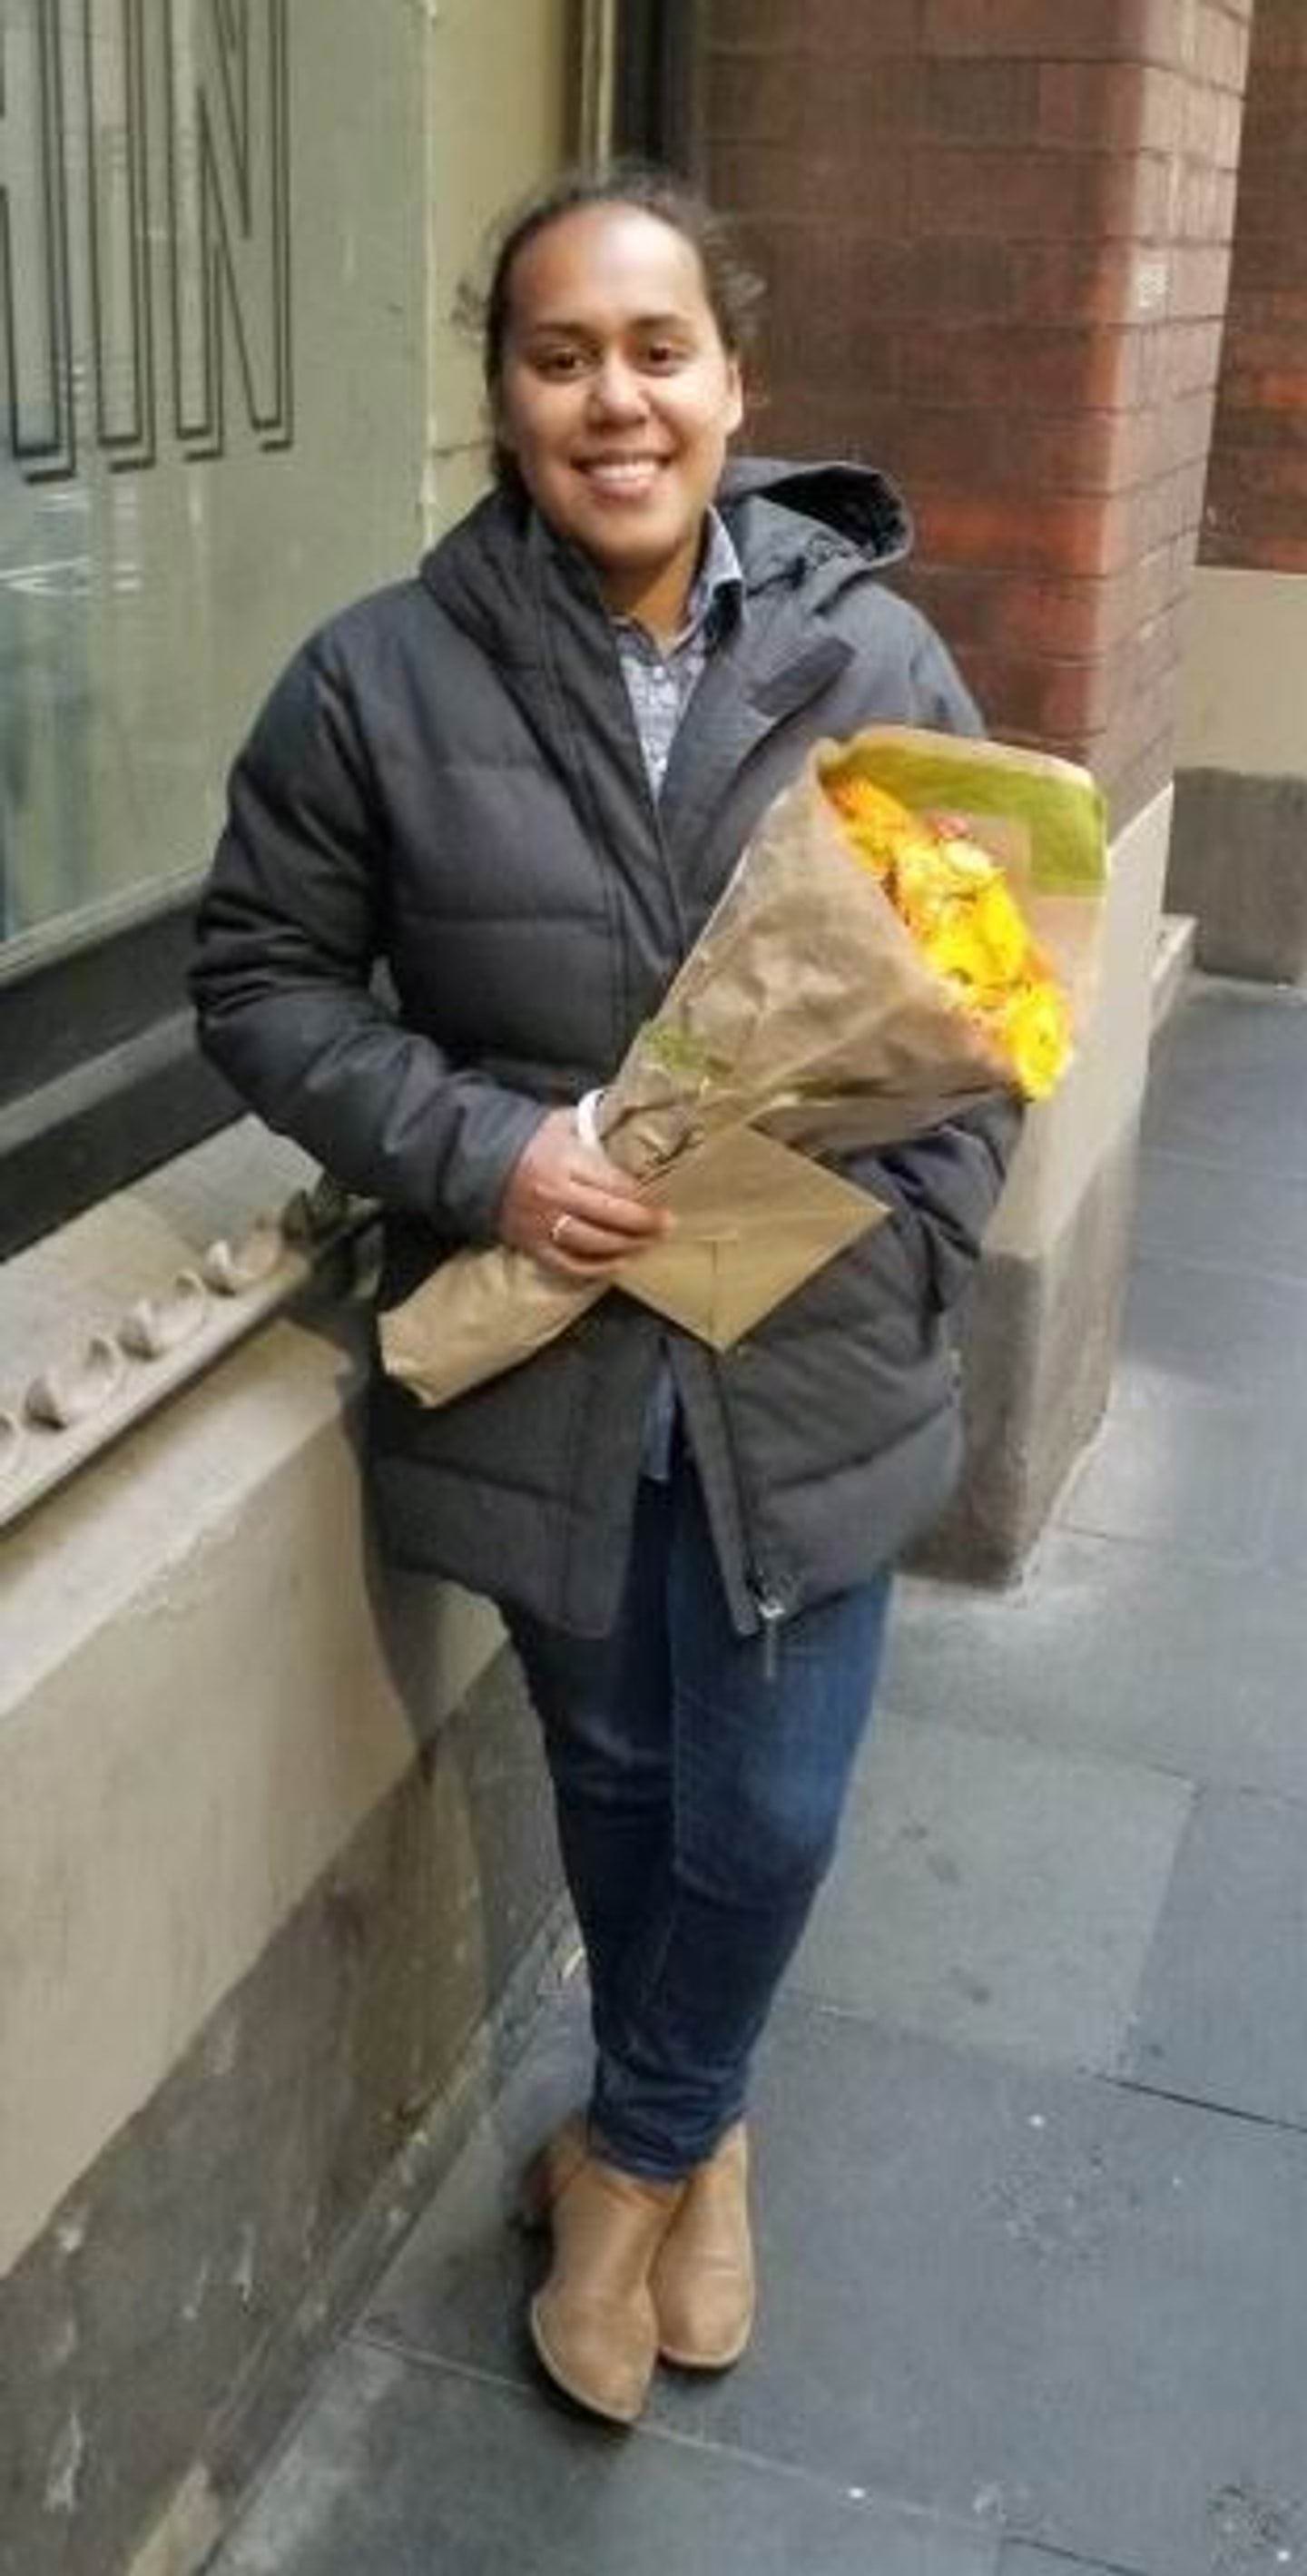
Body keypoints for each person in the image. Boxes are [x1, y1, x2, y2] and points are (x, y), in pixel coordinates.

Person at [192, 164, 1022, 2428]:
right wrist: (488, 1150)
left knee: (772, 1815)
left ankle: (633, 2154)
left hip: (814, 1340)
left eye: (659, 350)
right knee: (626, 1778)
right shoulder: (375, 680)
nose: (614, 399)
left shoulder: (873, 659)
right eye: (560, 358)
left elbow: (987, 994)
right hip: (548, 1363)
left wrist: (919, 1241)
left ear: (735, 381)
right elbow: (261, 981)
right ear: (504, 399)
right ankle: (702, 2147)